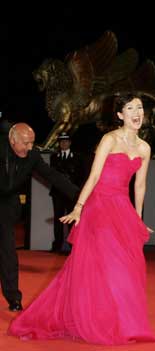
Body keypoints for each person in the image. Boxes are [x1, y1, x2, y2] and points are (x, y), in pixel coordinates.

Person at [8, 92, 155, 344]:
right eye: (131, 108)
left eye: (140, 108)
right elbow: (94, 176)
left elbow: (140, 186)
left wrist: (137, 218)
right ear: (120, 115)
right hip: (99, 205)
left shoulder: (145, 148)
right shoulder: (109, 140)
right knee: (104, 266)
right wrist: (79, 206)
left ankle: (122, 323)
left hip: (122, 207)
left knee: (127, 267)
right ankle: (97, 321)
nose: (137, 113)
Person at [0, 122, 79, 312]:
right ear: (12, 140)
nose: (29, 148)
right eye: (25, 143)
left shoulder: (33, 155)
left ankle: (13, 298)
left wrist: (80, 196)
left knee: (8, 251)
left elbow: (53, 176)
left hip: (7, 204)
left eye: (32, 143)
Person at [49, 132, 85, 254]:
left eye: (66, 141)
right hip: (58, 193)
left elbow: (82, 176)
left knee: (72, 219)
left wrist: (77, 190)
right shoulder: (54, 157)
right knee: (58, 219)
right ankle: (57, 245)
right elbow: (53, 174)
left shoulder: (78, 157)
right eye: (61, 141)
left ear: (70, 142)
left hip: (72, 194)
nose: (63, 143)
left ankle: (72, 245)